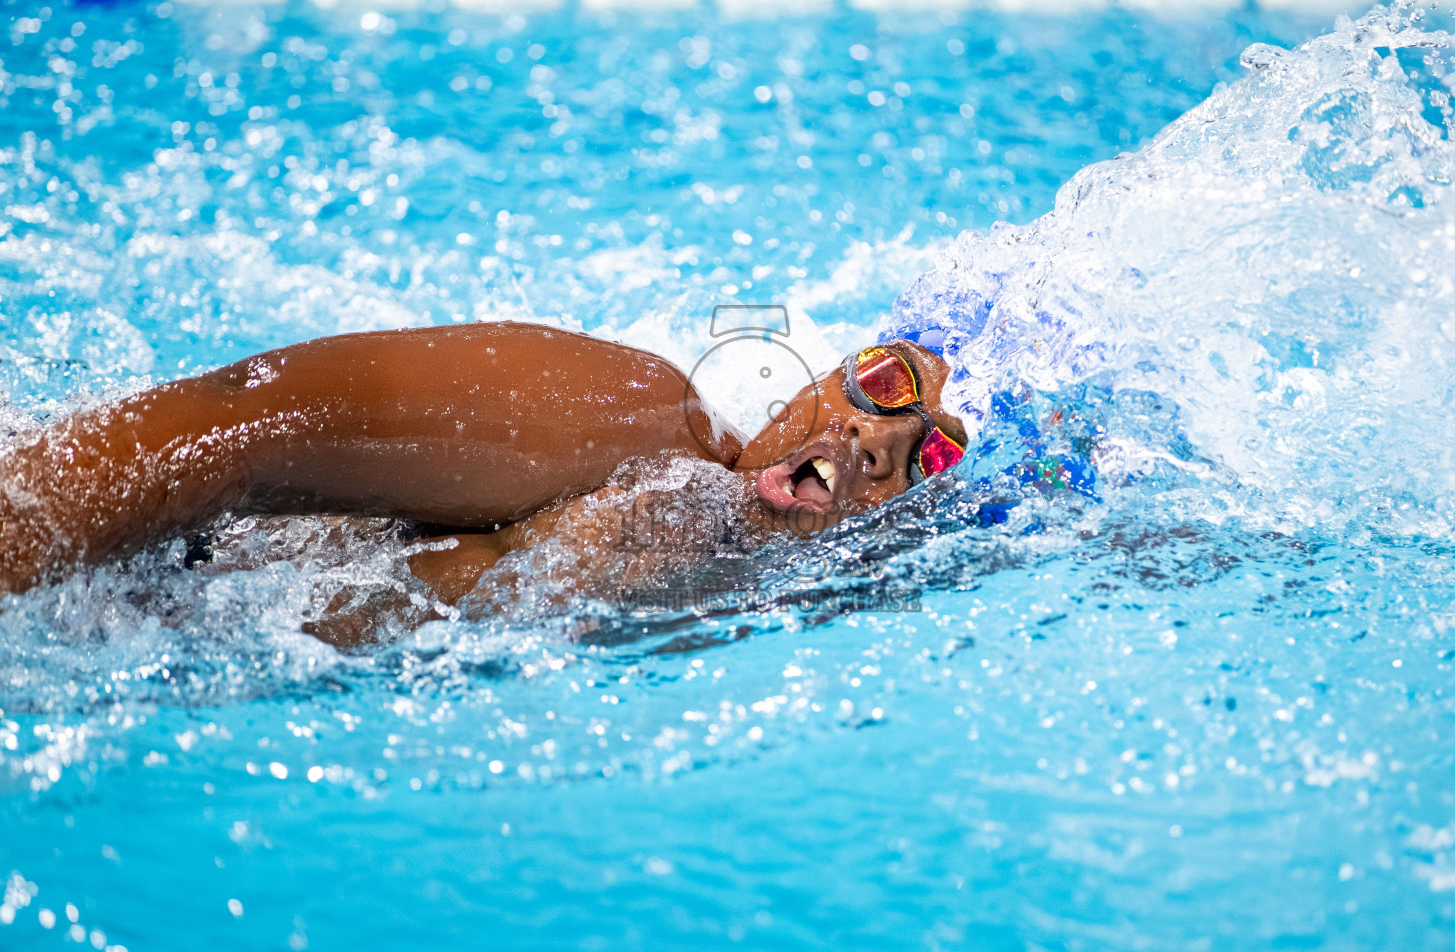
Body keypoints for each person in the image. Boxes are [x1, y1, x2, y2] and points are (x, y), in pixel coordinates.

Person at [0, 321, 968, 643]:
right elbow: (229, 427)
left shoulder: (746, 591)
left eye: (930, 457)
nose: (876, 439)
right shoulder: (637, 416)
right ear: (814, 380)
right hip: (100, 556)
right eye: (888, 383)